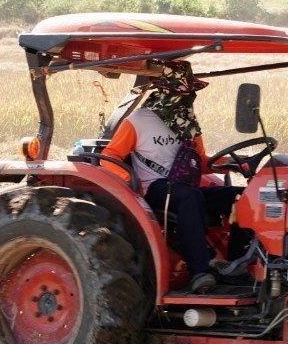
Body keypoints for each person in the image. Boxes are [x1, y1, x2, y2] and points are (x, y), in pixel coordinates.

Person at [100, 61, 241, 293]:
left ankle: (237, 262)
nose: (187, 97)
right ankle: (200, 272)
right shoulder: (138, 121)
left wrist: (233, 164)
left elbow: (201, 161)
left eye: (189, 92)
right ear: (166, 91)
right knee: (189, 197)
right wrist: (130, 184)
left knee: (240, 196)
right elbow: (109, 157)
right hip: (154, 188)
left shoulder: (188, 124)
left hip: (186, 187)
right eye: (181, 92)